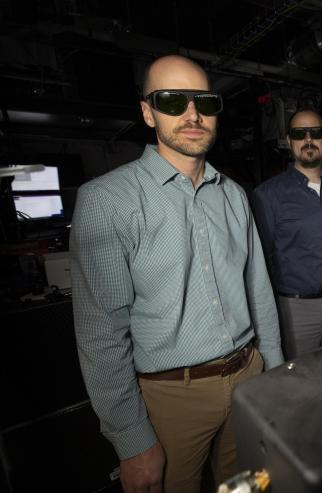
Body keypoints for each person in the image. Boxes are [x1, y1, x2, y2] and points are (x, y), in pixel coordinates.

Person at [70, 54, 283, 493]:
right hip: (171, 399)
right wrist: (132, 441)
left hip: (248, 376)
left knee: (250, 488)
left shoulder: (235, 196)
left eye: (204, 101)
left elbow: (258, 290)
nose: (192, 114)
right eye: (172, 100)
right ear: (148, 112)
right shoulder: (107, 201)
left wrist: (274, 375)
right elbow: (101, 334)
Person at [252, 108, 322, 360]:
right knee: (300, 386)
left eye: (316, 133)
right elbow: (263, 259)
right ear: (289, 141)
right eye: (300, 134)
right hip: (296, 312)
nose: (309, 140)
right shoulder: (267, 195)